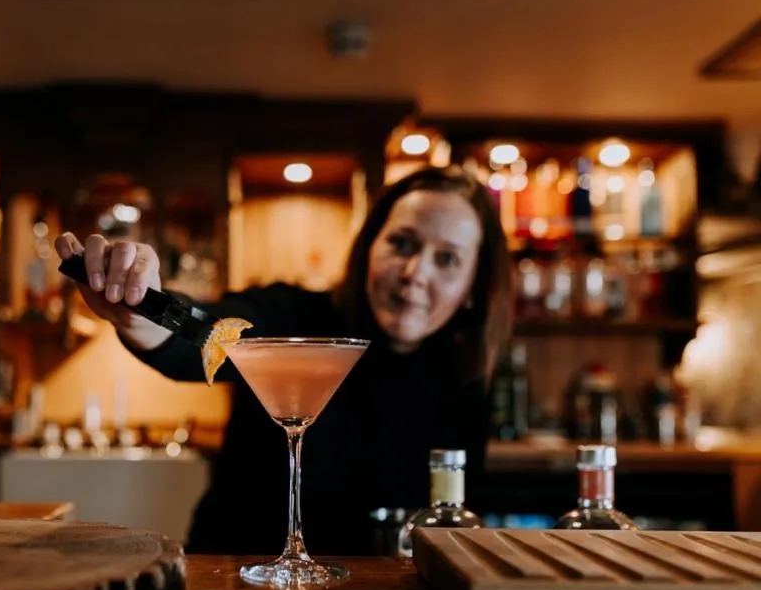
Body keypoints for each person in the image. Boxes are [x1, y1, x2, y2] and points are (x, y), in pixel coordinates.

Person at [54, 165, 514, 556]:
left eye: (448, 259)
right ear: (369, 247)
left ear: (475, 286)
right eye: (403, 244)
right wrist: (141, 309)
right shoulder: (289, 316)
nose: (415, 274)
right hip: (237, 585)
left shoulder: (466, 376)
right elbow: (206, 335)